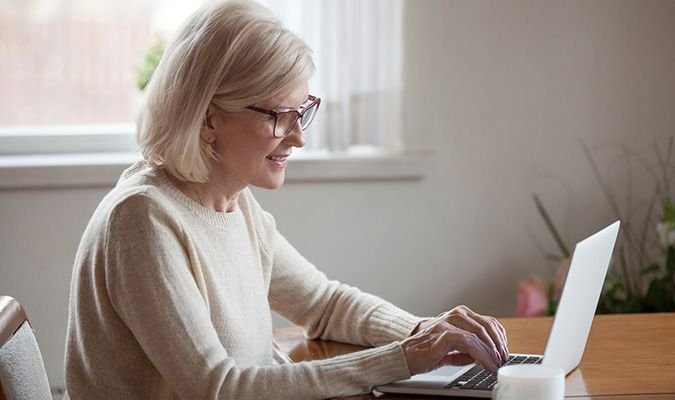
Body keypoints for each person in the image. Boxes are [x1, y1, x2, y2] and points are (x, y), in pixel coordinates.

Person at [64, 1, 509, 398]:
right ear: (208, 121)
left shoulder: (232, 201)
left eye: (302, 111)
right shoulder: (142, 219)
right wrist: (404, 359)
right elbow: (217, 388)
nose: (297, 137)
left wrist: (424, 331)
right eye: (280, 116)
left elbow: (324, 304)